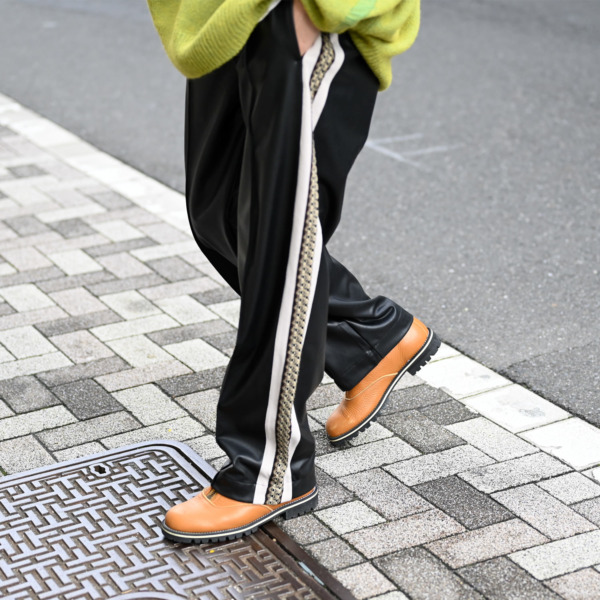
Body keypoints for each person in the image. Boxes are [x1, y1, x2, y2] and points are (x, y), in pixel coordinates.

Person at [147, 0, 438, 544]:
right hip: (213, 19)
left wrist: (315, 11)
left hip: (296, 16)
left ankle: (267, 471)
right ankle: (369, 336)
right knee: (219, 219)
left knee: (278, 241)